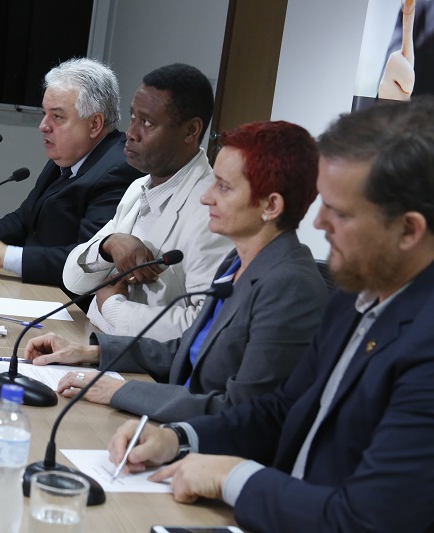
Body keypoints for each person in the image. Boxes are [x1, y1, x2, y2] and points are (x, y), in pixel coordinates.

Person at [108, 97, 434, 532]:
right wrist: (178, 439)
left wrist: (232, 476)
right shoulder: (353, 300)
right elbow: (280, 410)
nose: (318, 225)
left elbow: (366, 519)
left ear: (409, 230)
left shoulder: (426, 344)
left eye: (339, 213)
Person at [24, 121, 328, 423]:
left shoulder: (290, 285)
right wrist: (91, 352)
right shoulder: (237, 262)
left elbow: (242, 409)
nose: (206, 197)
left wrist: (121, 391)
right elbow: (188, 350)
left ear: (270, 206)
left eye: (223, 186)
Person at [62, 64, 230, 342]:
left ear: (191, 130)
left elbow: (206, 329)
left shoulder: (211, 211)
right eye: (132, 117)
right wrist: (108, 245)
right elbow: (73, 279)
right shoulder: (138, 187)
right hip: (95, 341)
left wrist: (113, 307)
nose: (131, 133)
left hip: (147, 370)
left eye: (147, 123)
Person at [0, 58, 143, 293]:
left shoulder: (118, 170)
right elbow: (24, 218)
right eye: (44, 114)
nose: (43, 126)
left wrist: (4, 255)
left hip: (67, 307)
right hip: (33, 289)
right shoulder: (69, 155)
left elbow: (87, 260)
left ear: (95, 124)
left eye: (57, 116)